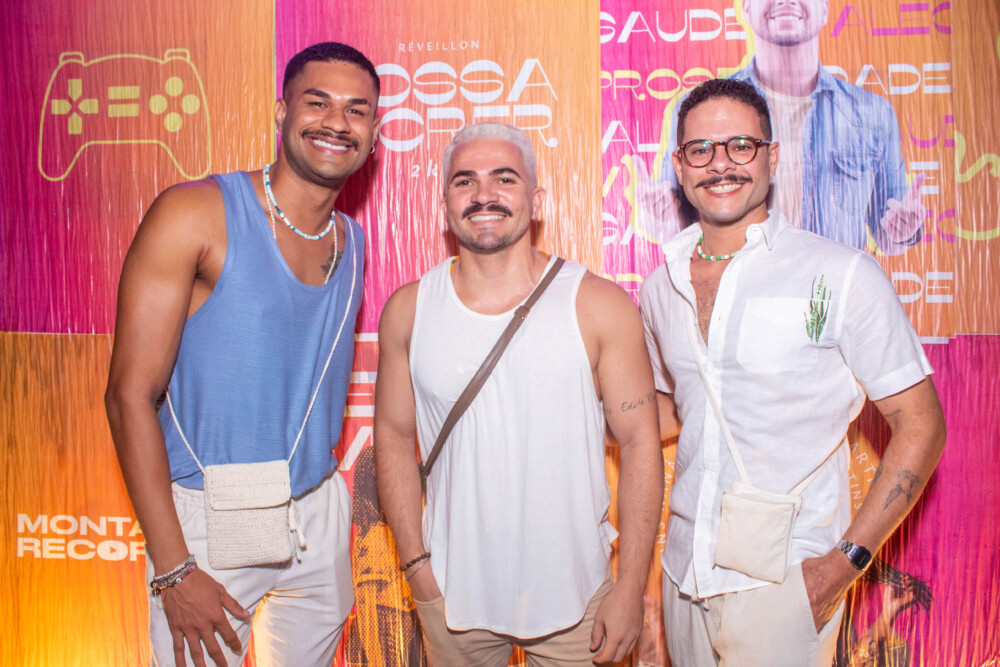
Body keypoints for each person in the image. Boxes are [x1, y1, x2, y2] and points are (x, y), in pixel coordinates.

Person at [639, 78, 945, 666]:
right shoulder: (661, 286)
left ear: (772, 156)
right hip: (684, 575)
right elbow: (676, 410)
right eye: (700, 149)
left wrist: (842, 566)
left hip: (786, 582)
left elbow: (922, 425)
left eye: (740, 146)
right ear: (679, 166)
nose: (720, 164)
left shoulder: (840, 273)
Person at [104, 42, 380, 667]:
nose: (337, 123)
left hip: (316, 509)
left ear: (374, 132)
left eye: (356, 110)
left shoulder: (352, 239)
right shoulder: (195, 213)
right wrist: (174, 568)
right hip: (209, 517)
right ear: (282, 112)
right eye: (317, 103)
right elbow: (128, 397)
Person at [374, 122, 663, 666]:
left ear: (537, 200)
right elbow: (391, 436)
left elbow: (640, 443)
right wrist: (417, 570)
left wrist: (629, 586)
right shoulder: (409, 310)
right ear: (444, 202)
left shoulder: (598, 304)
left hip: (579, 599)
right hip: (451, 597)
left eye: (504, 179)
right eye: (464, 181)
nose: (483, 194)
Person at [634, 0, 925, 255]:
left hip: (833, 293)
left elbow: (887, 234)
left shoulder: (871, 114)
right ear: (747, 8)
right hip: (739, 291)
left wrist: (903, 232)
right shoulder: (699, 112)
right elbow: (677, 225)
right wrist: (663, 223)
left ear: (825, 9)